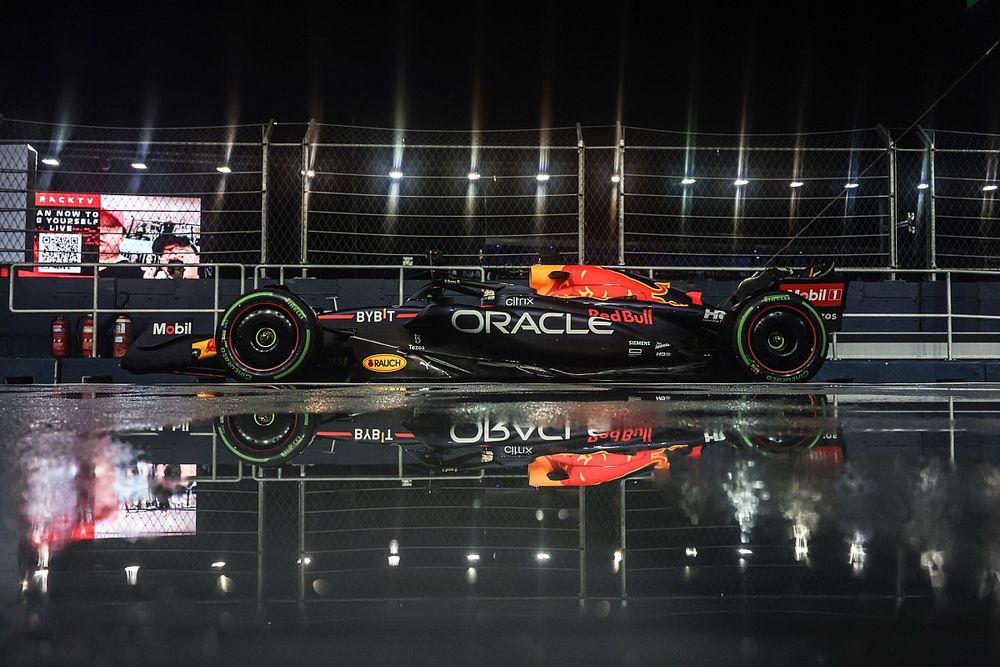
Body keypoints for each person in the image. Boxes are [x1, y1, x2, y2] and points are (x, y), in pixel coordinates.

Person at [97, 209, 143, 279]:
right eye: (97, 226)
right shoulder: (78, 266)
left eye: (109, 227)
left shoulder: (130, 271)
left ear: (123, 235)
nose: (101, 232)